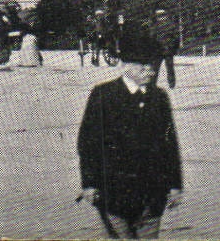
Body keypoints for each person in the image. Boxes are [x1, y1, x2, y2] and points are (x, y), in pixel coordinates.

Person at [77, 28, 183, 239]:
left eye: (152, 65)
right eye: (143, 65)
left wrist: (175, 185)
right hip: (114, 192)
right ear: (125, 66)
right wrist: (89, 183)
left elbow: (169, 144)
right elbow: (88, 142)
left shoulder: (159, 97)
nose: (150, 70)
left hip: (152, 194)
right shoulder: (104, 95)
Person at [148, 10, 178, 88]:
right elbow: (176, 38)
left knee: (155, 68)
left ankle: (152, 83)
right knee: (170, 67)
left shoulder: (155, 26)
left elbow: (151, 37)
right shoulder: (171, 25)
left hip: (158, 50)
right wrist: (174, 49)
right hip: (168, 50)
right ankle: (171, 83)